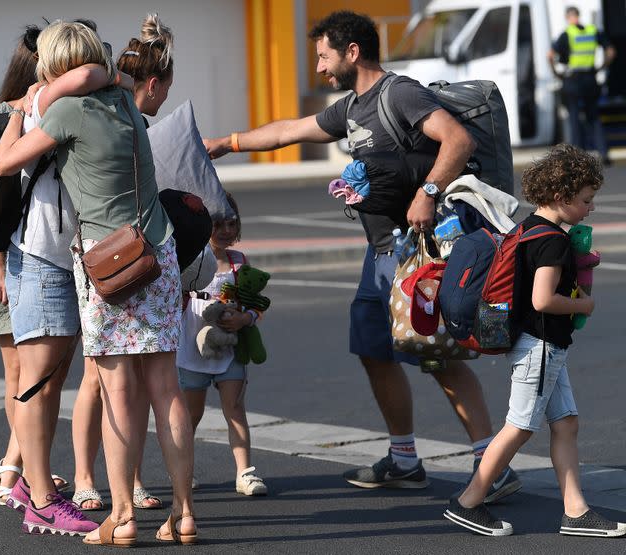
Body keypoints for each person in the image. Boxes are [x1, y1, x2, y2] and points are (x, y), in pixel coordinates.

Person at [204, 10, 521, 501]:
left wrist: (429, 192)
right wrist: (229, 143)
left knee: (436, 353)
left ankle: (491, 462)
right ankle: (404, 459)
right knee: (373, 349)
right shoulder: (350, 107)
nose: (319, 69)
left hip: (419, 252)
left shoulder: (400, 93)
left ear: (353, 53)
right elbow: (291, 130)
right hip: (380, 254)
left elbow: (459, 139)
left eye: (323, 57)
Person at [0, 20, 196, 546]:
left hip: (109, 264)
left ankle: (124, 517)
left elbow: (5, 161)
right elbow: (106, 70)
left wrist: (20, 112)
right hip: (158, 250)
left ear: (53, 65)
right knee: (166, 387)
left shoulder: (65, 111)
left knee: (116, 390)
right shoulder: (128, 100)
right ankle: (184, 512)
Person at [0, 20, 135, 537]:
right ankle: (42, 498)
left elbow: (104, 73)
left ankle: (35, 488)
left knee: (49, 381)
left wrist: (48, 90)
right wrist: (28, 107)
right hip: (43, 256)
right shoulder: (48, 107)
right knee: (40, 384)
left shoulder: (77, 95)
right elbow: (7, 164)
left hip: (72, 256)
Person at [444, 144, 625, 538]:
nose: (591, 207)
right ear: (561, 197)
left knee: (566, 422)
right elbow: (543, 299)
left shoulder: (529, 228)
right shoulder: (553, 241)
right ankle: (468, 502)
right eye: (586, 200)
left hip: (540, 346)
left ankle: (575, 512)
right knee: (520, 426)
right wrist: (585, 303)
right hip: (540, 346)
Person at [0, 24, 71, 509]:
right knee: (26, 375)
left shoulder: (19, 112)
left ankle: (21, 468)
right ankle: (15, 471)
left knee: (34, 375)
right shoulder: (17, 118)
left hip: (13, 257)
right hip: (3, 259)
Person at [176, 192, 268, 496]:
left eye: (232, 222)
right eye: (218, 223)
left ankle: (245, 472)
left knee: (236, 407)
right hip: (191, 348)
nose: (227, 229)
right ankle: (183, 469)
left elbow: (254, 302)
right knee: (191, 415)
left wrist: (246, 319)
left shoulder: (239, 262)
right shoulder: (189, 257)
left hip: (230, 348)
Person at [548, 6, 616, 164]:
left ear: (568, 17)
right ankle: (604, 153)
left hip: (573, 80)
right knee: (593, 117)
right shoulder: (592, 31)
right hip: (590, 79)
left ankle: (577, 157)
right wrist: (602, 67)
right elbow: (611, 52)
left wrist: (556, 73)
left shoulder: (567, 34)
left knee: (574, 117)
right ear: (578, 16)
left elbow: (550, 55)